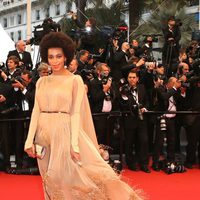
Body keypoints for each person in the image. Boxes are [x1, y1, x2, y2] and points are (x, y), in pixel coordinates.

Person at [24, 32, 142, 200]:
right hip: (43, 136)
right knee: (50, 180)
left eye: (59, 56)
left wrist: (74, 143)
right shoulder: (42, 81)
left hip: (64, 132)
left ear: (66, 56)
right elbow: (36, 110)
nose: (55, 60)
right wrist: (29, 140)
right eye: (51, 57)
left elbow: (75, 112)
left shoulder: (75, 80)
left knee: (71, 178)